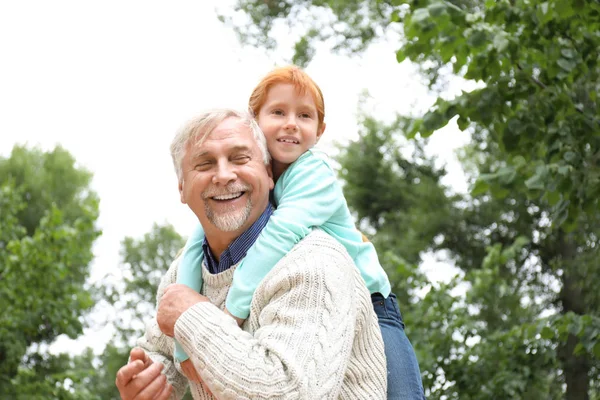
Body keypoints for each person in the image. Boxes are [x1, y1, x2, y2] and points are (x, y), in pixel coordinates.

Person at [176, 66, 425, 399]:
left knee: (399, 390)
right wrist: (182, 349)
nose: (291, 123)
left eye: (304, 116)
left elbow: (279, 235)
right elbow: (194, 248)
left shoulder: (313, 173)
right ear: (255, 120)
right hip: (310, 298)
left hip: (372, 302)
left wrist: (231, 313)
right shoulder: (253, 178)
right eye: (278, 112)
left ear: (319, 131)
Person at [115, 109, 388, 399]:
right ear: (182, 188)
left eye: (239, 158)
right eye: (205, 163)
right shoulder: (182, 273)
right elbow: (163, 349)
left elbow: (289, 393)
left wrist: (193, 315)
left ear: (269, 174)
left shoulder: (313, 261)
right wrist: (151, 380)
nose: (223, 175)